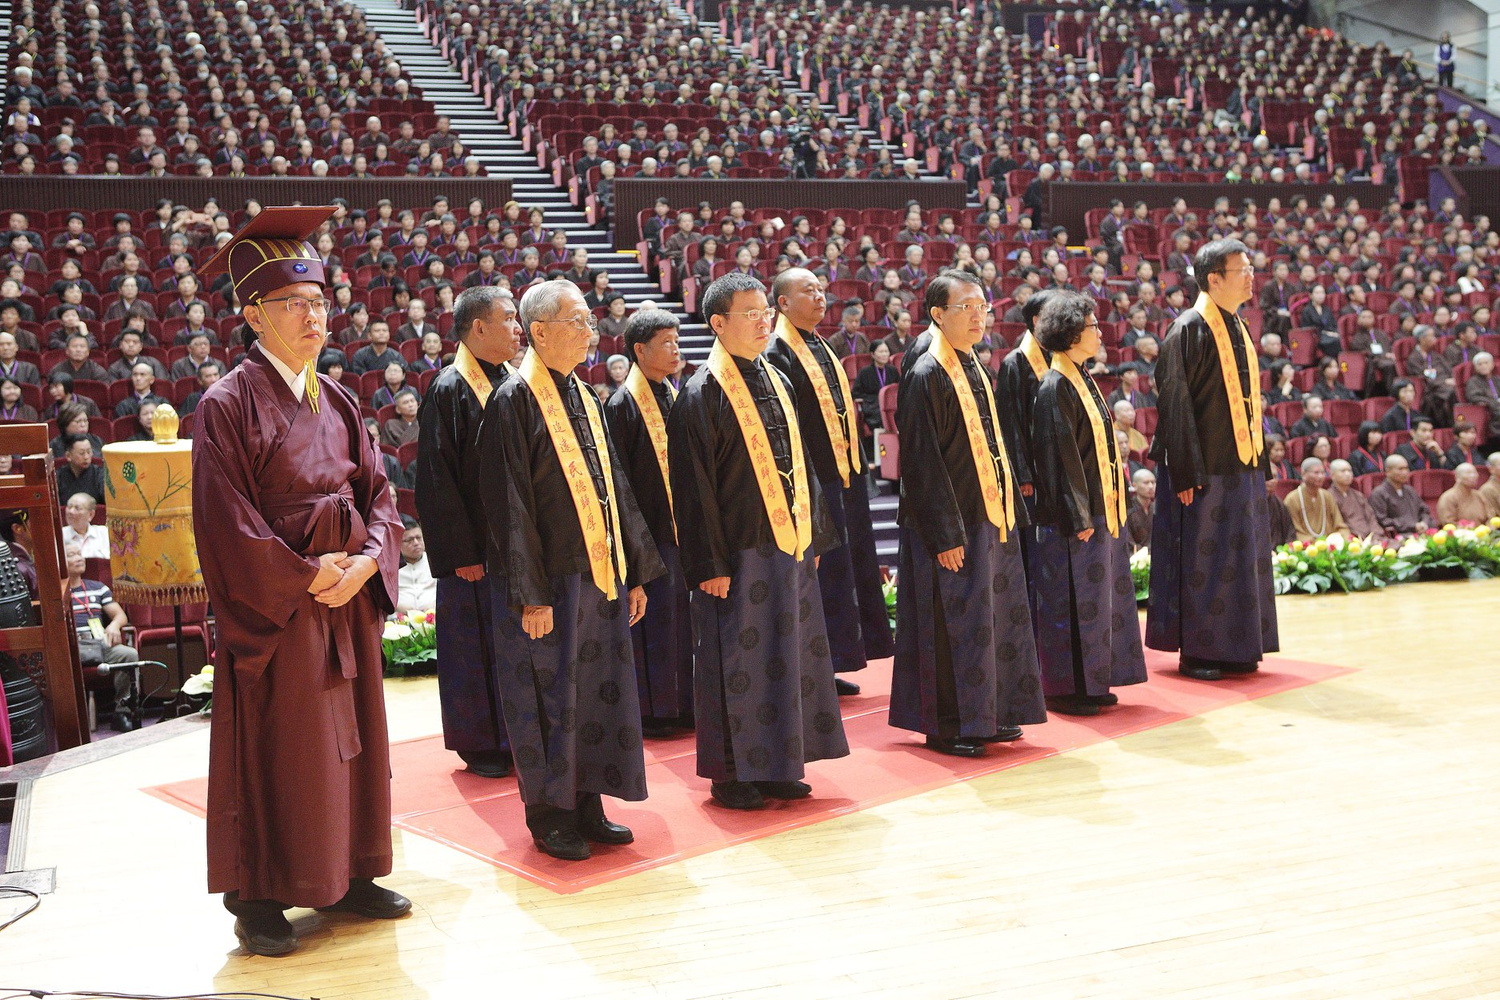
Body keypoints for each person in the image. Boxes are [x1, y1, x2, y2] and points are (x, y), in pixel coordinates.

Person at [191, 207, 408, 957]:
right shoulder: (226, 403)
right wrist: (308, 574)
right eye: (294, 304)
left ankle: (349, 873)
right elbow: (225, 522)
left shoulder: (340, 397)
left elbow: (379, 495)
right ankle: (260, 894)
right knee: (286, 748)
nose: (314, 317)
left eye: (319, 302)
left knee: (355, 745)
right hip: (283, 608)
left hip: (343, 597)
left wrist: (368, 561)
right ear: (253, 314)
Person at [479, 279, 662, 860]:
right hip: (550, 583)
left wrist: (633, 570)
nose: (591, 331)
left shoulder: (586, 397)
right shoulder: (513, 400)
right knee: (546, 698)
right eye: (578, 321)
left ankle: (589, 802)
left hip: (599, 575)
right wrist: (529, 596)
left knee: (595, 696)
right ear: (538, 332)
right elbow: (508, 506)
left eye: (589, 320)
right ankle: (550, 815)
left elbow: (618, 489)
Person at [666, 272, 850, 810]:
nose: (763, 319)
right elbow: (693, 492)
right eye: (749, 313)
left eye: (765, 309)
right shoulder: (700, 392)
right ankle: (733, 774)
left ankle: (778, 764)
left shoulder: (778, 378)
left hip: (787, 546)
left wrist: (811, 534)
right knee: (739, 663)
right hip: (737, 555)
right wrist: (709, 565)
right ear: (718, 324)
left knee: (789, 656)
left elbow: (802, 461)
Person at [890, 270, 1045, 756]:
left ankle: (990, 712)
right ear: (938, 315)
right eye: (967, 307)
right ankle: (949, 724)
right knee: (950, 624)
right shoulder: (926, 372)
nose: (980, 315)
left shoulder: (973, 363)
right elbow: (920, 462)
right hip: (951, 523)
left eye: (984, 306)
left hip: (988, 514)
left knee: (991, 619)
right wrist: (943, 535)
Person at [1146, 239, 1279, 681]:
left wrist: (1261, 456)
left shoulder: (1238, 325)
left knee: (1240, 561)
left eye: (1250, 267)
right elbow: (1175, 403)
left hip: (1240, 464)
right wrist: (1183, 468)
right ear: (1213, 279)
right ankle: (1201, 652)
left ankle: (1238, 647)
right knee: (1205, 562)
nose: (1251, 276)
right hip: (1203, 470)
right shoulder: (1188, 327)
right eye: (1241, 269)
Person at [765, 268, 894, 695]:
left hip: (842, 476)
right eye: (809, 291)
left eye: (822, 290)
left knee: (841, 573)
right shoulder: (776, 351)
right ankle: (805, 669)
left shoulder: (820, 345)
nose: (821, 297)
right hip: (807, 484)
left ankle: (831, 663)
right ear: (783, 303)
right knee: (814, 575)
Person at [413, 284, 519, 780]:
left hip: (513, 548)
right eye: (509, 319)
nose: (518, 329)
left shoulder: (513, 379)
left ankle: (516, 733)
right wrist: (461, 554)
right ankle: (481, 744)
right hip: (474, 551)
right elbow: (437, 478)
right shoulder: (450, 387)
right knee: (474, 648)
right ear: (478, 328)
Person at [1028, 292, 1147, 716]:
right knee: (1072, 601)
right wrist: (1078, 514)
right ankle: (1068, 687)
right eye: (1093, 327)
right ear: (1072, 333)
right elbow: (1059, 458)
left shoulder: (1081, 376)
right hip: (1074, 517)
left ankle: (1095, 680)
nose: (1100, 333)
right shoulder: (1054, 385)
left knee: (1098, 600)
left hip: (1100, 506)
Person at [604, 309, 694, 737]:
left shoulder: (673, 393)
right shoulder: (622, 404)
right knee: (655, 624)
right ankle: (654, 711)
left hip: (679, 530)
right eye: (666, 343)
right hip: (647, 534)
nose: (676, 349)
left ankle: (680, 703)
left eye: (678, 341)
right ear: (639, 350)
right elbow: (620, 478)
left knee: (681, 623)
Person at [64, 543, 139, 731]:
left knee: (129, 655)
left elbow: (120, 615)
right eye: (72, 555)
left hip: (98, 643)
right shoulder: (57, 591)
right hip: (72, 647)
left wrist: (113, 625)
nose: (79, 558)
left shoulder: (98, 587)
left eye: (80, 553)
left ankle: (122, 712)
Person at [1283, 457, 1348, 541]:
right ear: (1303, 474)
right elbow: (1294, 532)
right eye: (1316, 473)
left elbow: (1340, 525)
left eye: (1322, 472)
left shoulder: (1327, 496)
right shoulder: (1292, 499)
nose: (1320, 476)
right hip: (1306, 547)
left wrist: (1342, 538)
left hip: (1330, 545)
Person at [1367, 454, 1433, 536]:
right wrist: (1412, 526)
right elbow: (1382, 521)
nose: (1405, 472)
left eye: (1406, 468)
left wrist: (1424, 523)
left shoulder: (1410, 490)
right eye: (1400, 469)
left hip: (1420, 532)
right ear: (1388, 472)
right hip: (1398, 536)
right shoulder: (1378, 494)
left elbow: (1424, 511)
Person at [1328, 459, 1382, 538]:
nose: (1347, 474)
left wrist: (1375, 534)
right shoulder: (1329, 497)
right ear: (1332, 475)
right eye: (1343, 471)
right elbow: (1336, 524)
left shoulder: (1358, 495)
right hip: (1349, 537)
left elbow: (1371, 518)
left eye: (1349, 471)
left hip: (1370, 536)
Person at [395, 517, 437, 612]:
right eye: (409, 540)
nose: (416, 543)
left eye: (418, 538)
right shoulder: (391, 567)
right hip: (399, 620)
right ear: (398, 543)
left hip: (434, 618)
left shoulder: (434, 562)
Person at [56, 433, 105, 504]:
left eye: (89, 452)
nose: (86, 457)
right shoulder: (59, 476)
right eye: (81, 453)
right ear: (68, 456)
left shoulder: (99, 474)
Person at [1463, 352, 1500, 442]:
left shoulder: (1497, 379)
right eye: (1480, 364)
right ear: (1476, 367)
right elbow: (1473, 397)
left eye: (1486, 363)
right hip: (1491, 407)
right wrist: (1493, 402)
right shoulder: (1473, 381)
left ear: (1492, 365)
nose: (1483, 366)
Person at [63, 492, 109, 558]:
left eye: (77, 508)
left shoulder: (105, 533)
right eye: (69, 507)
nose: (71, 511)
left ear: (91, 514)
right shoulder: (59, 535)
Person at [1128, 467, 1155, 550]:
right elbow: (1127, 540)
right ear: (1134, 486)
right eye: (1146, 483)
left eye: (1153, 482)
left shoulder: (1158, 508)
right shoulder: (1128, 510)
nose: (1151, 486)